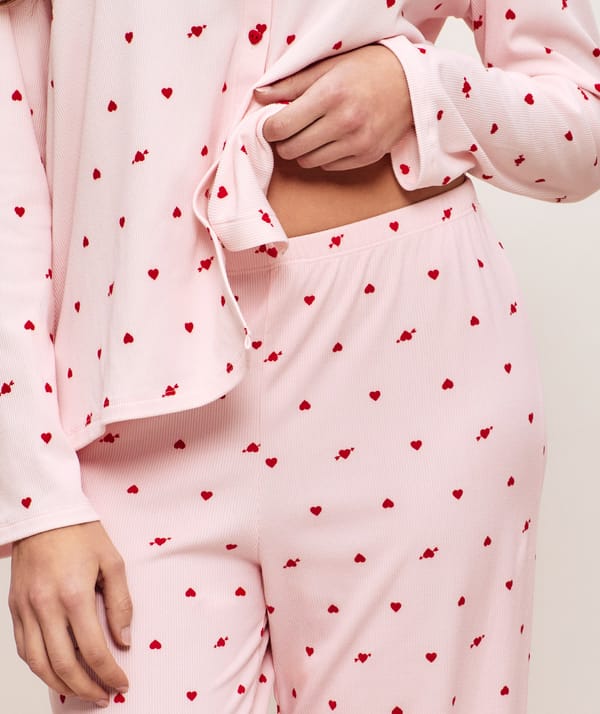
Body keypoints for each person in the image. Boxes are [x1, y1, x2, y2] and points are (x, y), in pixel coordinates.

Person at [1, 0, 599, 712]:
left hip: (409, 372)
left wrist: (421, 89)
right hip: (131, 410)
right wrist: (37, 503)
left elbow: (582, 123)